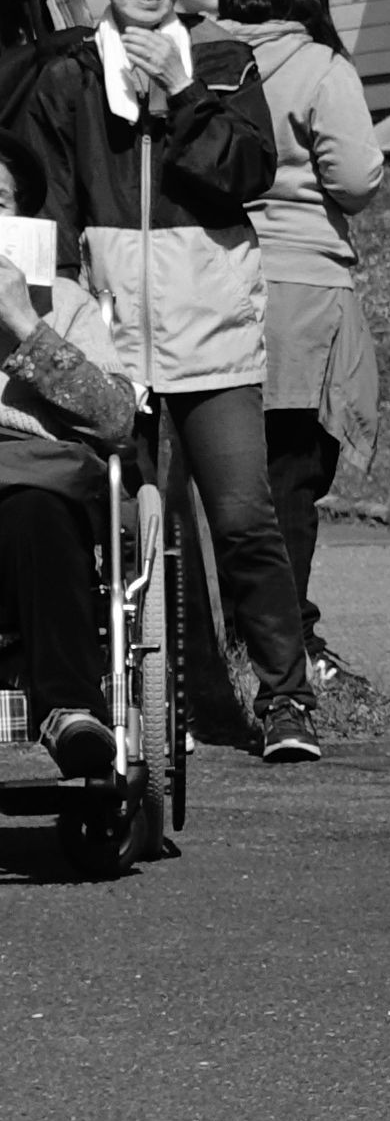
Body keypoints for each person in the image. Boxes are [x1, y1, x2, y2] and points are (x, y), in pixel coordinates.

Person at [9, 0, 319, 761]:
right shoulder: (67, 75)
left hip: (212, 325)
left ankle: (287, 698)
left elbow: (245, 172)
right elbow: (49, 212)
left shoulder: (222, 58)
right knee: (128, 526)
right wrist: (66, 319)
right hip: (109, 341)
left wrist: (183, 91)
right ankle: (158, 696)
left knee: (244, 517)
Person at [213, 0, 385, 688]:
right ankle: (285, 645)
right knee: (291, 477)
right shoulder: (319, 67)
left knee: (228, 477)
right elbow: (355, 179)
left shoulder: (204, 59)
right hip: (305, 290)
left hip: (216, 282)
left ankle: (232, 634)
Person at [0, 141, 140, 784]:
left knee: (38, 512)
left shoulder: (65, 301)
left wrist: (24, 324)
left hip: (30, 481)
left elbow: (115, 418)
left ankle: (69, 710)